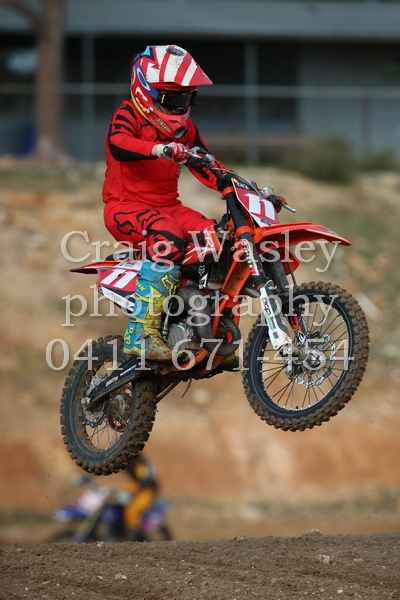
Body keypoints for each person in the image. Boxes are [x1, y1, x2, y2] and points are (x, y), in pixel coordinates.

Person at [102, 44, 226, 362]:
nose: (180, 107)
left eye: (186, 99)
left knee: (217, 238)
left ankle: (205, 330)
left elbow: (208, 164)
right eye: (172, 99)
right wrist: (159, 149)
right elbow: (117, 143)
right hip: (125, 207)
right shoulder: (129, 113)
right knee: (168, 233)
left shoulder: (186, 130)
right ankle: (141, 332)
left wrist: (241, 190)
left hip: (169, 207)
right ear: (146, 91)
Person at [122, 454, 160, 541]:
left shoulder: (139, 464)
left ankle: (135, 536)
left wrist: (133, 488)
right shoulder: (141, 462)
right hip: (145, 490)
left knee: (131, 511)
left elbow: (144, 481)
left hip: (147, 491)